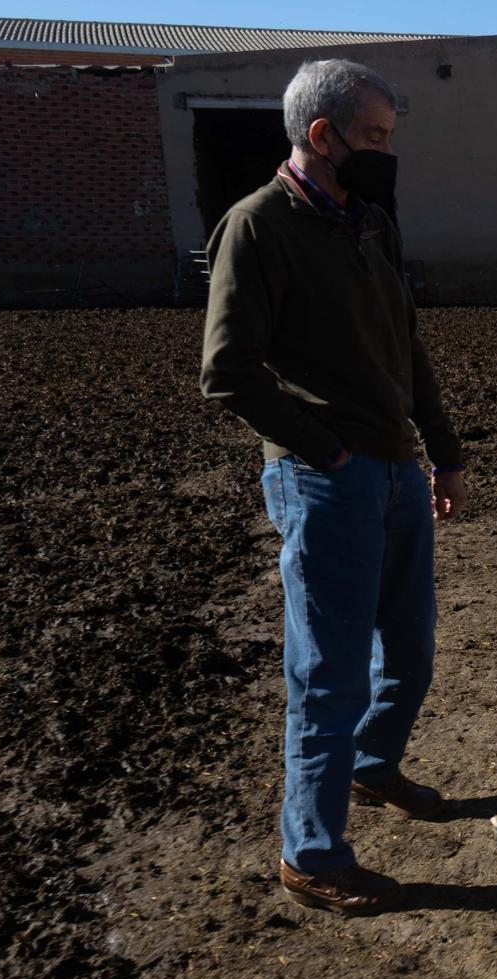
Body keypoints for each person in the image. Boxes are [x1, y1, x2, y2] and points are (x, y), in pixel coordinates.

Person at [200, 58, 466, 916]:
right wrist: (328, 454)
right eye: (376, 138)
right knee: (329, 676)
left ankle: (374, 763)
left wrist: (444, 450)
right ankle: (309, 852)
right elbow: (228, 372)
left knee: (412, 652)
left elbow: (408, 346)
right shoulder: (256, 228)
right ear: (324, 136)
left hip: (396, 469)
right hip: (326, 482)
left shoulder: (371, 225)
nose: (388, 152)